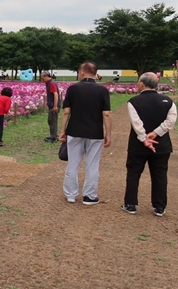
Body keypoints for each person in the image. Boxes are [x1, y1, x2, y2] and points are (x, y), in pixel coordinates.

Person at [121, 72, 176, 217]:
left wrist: (144, 138)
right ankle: (159, 207)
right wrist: (156, 133)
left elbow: (136, 122)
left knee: (133, 173)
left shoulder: (133, 101)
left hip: (138, 145)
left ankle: (130, 204)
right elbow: (170, 121)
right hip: (161, 144)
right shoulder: (168, 101)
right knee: (160, 174)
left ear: (142, 84)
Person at [59, 62, 111, 205]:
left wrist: (63, 130)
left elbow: (66, 112)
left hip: (75, 130)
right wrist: (108, 134)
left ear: (81, 73)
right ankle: (89, 196)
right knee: (92, 164)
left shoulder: (73, 89)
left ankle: (71, 194)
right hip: (95, 131)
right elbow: (106, 114)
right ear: (95, 73)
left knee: (73, 163)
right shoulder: (102, 90)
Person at [41, 72, 61, 143]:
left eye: (42, 78)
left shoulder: (51, 83)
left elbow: (55, 95)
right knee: (51, 120)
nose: (42, 80)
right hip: (52, 104)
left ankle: (54, 137)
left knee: (52, 120)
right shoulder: (50, 83)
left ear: (46, 76)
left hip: (53, 105)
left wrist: (55, 106)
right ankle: (53, 135)